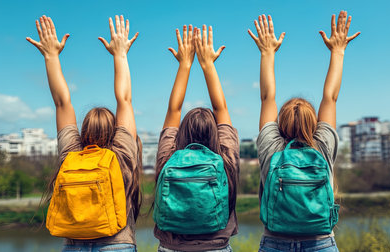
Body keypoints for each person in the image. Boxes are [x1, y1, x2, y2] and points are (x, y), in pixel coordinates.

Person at [27, 15, 142, 252]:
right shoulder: (122, 153)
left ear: (83, 131)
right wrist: (120, 54)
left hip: (74, 246)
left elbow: (62, 103)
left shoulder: (71, 153)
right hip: (116, 245)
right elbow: (125, 99)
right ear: (115, 132)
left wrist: (51, 56)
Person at [249, 11, 360, 252]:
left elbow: (267, 97)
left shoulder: (271, 147)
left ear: (280, 126)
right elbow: (330, 97)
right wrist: (338, 51)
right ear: (315, 124)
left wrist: (267, 52)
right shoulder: (323, 146)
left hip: (274, 242)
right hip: (321, 243)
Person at [153, 24, 239, 252]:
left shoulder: (167, 158)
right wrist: (208, 63)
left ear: (180, 134)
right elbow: (221, 108)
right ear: (216, 133)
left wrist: (185, 63)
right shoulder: (226, 159)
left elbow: (174, 109)